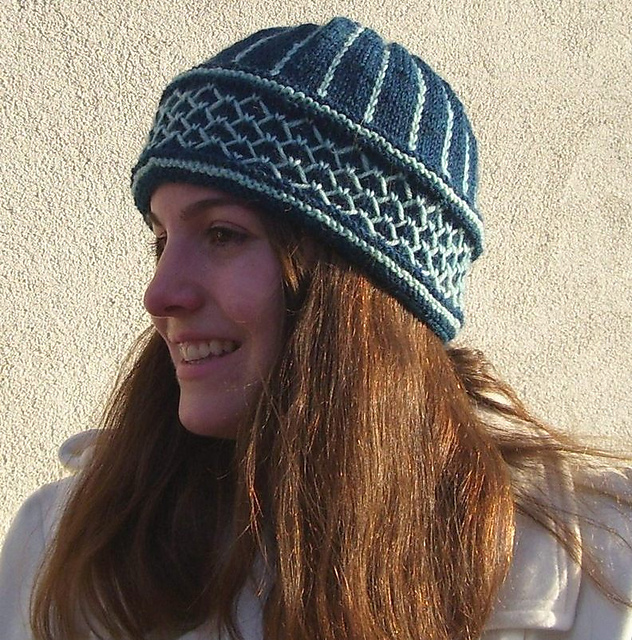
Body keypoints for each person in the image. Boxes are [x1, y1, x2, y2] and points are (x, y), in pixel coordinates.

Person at [1, 16, 630, 640]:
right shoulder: (63, 547)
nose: (159, 294)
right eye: (161, 240)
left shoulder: (595, 565)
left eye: (222, 234)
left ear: (367, 289)